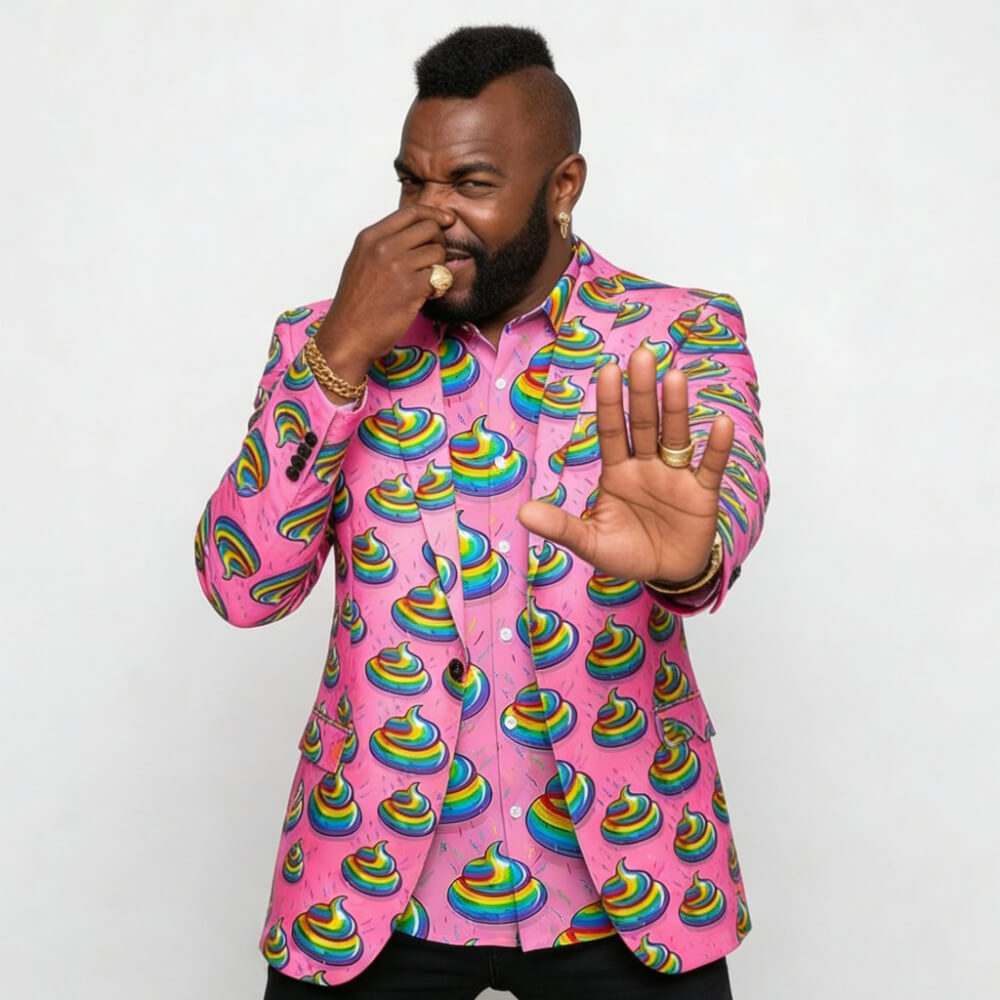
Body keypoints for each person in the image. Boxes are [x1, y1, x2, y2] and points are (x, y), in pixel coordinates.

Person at [195, 25, 767, 1000]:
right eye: (411, 184)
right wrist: (340, 357)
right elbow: (241, 588)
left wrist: (689, 561)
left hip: (631, 885)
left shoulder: (679, 330)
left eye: (469, 184)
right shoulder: (322, 341)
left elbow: (726, 502)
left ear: (562, 186)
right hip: (367, 887)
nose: (431, 218)